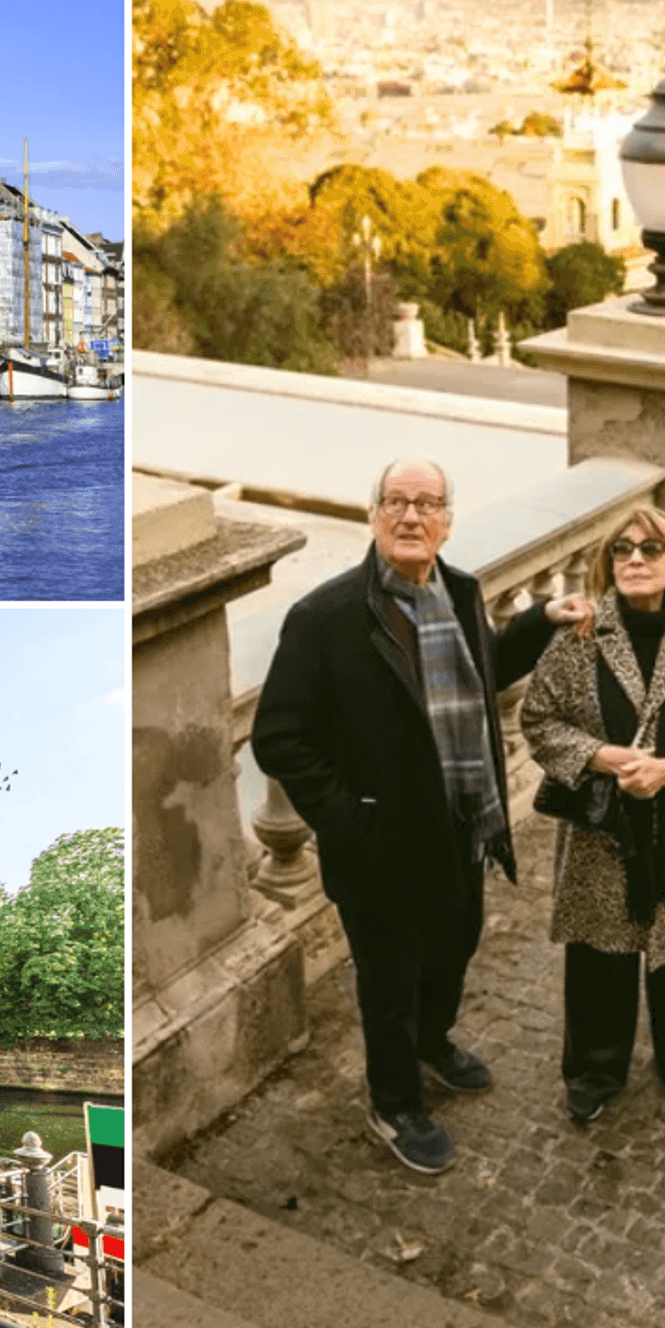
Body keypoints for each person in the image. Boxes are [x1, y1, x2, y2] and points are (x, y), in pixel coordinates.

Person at [251, 457, 591, 1173]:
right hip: (379, 844)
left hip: (462, 826)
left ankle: (432, 1044)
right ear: (374, 516)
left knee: (453, 950)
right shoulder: (325, 617)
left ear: (447, 521)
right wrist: (351, 821)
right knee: (390, 985)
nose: (411, 516)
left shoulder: (459, 592)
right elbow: (278, 736)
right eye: (397, 502)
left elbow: (484, 672)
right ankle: (394, 1102)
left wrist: (542, 620)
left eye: (427, 503)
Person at [521, 505, 665, 1125]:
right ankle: (594, 1070)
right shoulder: (579, 638)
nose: (635, 560)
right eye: (622, 549)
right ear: (608, 563)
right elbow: (537, 720)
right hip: (602, 831)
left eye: (652, 549)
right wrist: (598, 756)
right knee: (600, 954)